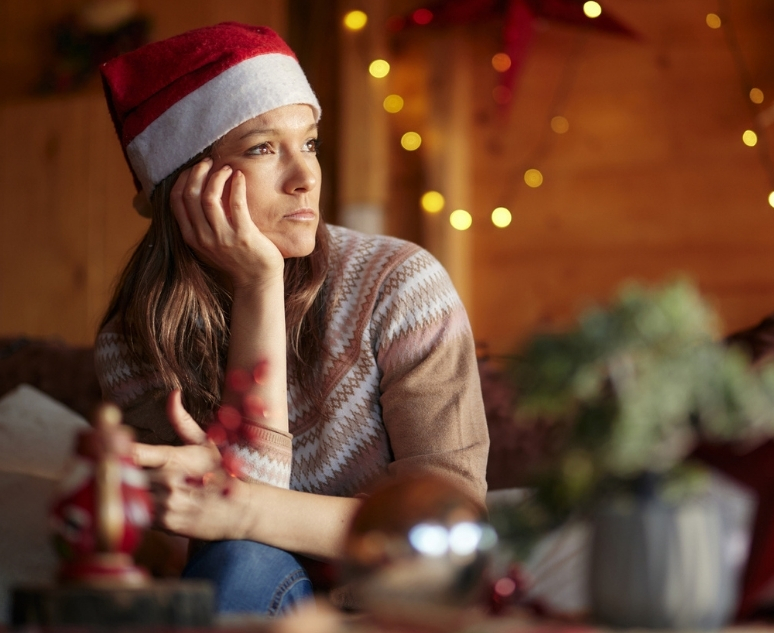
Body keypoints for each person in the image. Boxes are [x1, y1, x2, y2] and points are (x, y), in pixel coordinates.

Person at [95, 22, 489, 616]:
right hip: (243, 596)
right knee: (238, 559)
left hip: (394, 608)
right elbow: (190, 549)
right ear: (188, 182)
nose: (305, 177)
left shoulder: (402, 286)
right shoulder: (134, 338)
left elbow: (449, 522)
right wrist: (258, 285)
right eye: (262, 148)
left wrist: (243, 506)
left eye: (310, 143)